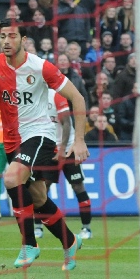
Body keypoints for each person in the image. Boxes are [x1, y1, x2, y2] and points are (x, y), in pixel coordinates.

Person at [0, 19, 89, 270]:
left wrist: (79, 140)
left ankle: (30, 244)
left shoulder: (40, 67)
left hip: (40, 133)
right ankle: (70, 241)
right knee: (37, 196)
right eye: (2, 36)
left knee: (11, 178)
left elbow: (77, 98)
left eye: (12, 36)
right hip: (13, 141)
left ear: (23, 40)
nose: (5, 41)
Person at [32, 89, 93, 240]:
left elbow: (67, 123)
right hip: (48, 149)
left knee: (78, 186)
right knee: (42, 189)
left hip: (68, 148)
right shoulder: (33, 96)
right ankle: (38, 227)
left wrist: (62, 149)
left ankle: (86, 228)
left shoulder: (56, 95)